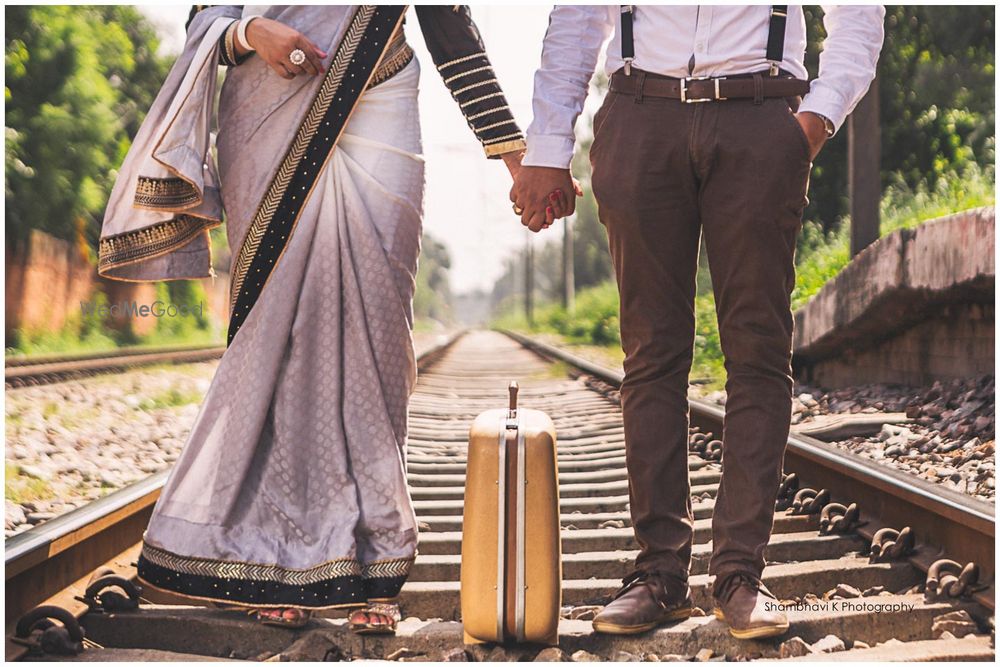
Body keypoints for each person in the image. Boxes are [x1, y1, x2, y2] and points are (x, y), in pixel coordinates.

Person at [98, 5, 530, 634]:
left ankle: (372, 561)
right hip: (266, 101)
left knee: (379, 331)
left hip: (378, 92)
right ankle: (278, 560)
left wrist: (515, 153)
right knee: (283, 332)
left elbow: (448, 18)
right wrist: (250, 33)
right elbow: (205, 17)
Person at [511, 6, 884, 639]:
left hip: (760, 118)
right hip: (640, 115)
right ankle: (659, 575)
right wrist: (548, 147)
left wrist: (815, 120)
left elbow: (860, 11)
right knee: (651, 354)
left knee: (758, 353)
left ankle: (740, 575)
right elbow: (577, 18)